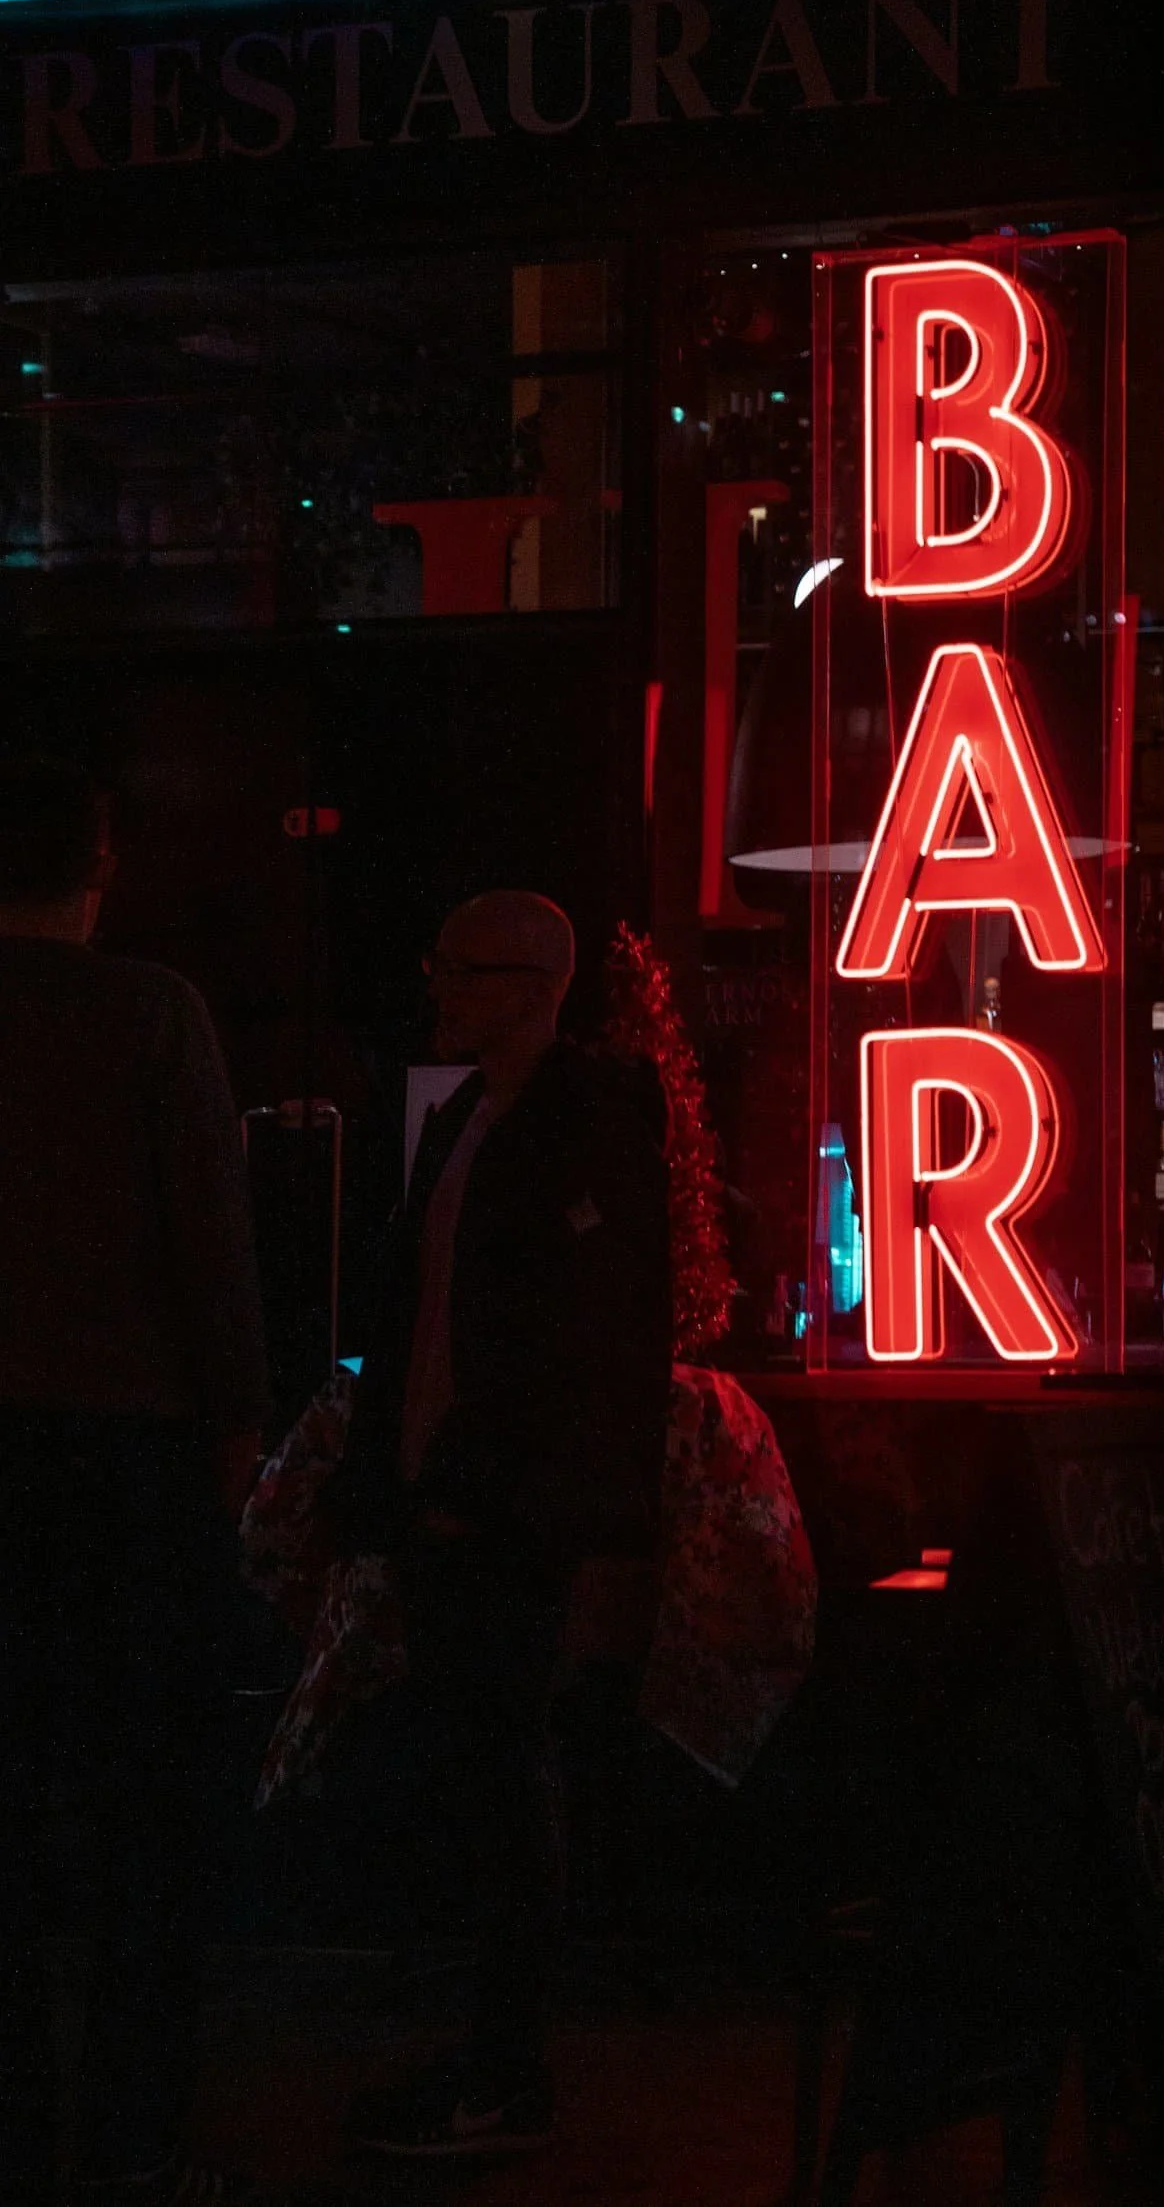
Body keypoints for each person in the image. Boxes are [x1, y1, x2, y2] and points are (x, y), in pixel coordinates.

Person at [330, 891, 672, 2157]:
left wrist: (462, 1479)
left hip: (493, 1509)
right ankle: (494, 2061)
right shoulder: (484, 1115)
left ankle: (503, 2069)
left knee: (501, 1778)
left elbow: (574, 1342)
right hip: (467, 1501)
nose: (438, 988)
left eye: (459, 970)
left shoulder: (550, 1124)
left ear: (529, 985)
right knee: (492, 1778)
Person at [0, 758, 271, 2206]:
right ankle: (131, 2137)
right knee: (146, 1819)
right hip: (127, 1456)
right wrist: (235, 1432)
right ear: (97, 866)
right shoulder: (152, 1014)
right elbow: (208, 1240)